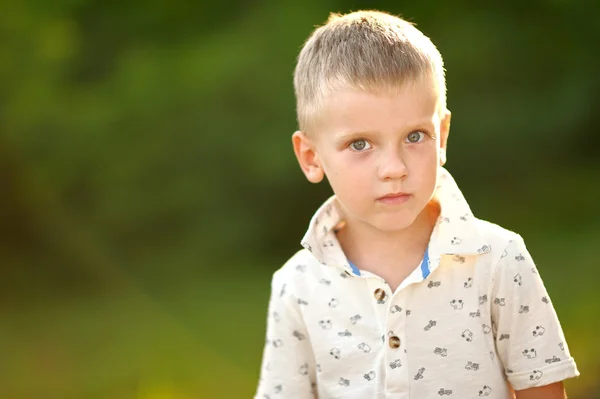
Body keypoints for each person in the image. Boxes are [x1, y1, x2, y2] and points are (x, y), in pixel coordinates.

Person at [254, 10, 579, 399]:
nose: (393, 169)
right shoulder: (297, 286)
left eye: (414, 136)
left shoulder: (499, 260)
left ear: (441, 135)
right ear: (311, 157)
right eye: (360, 144)